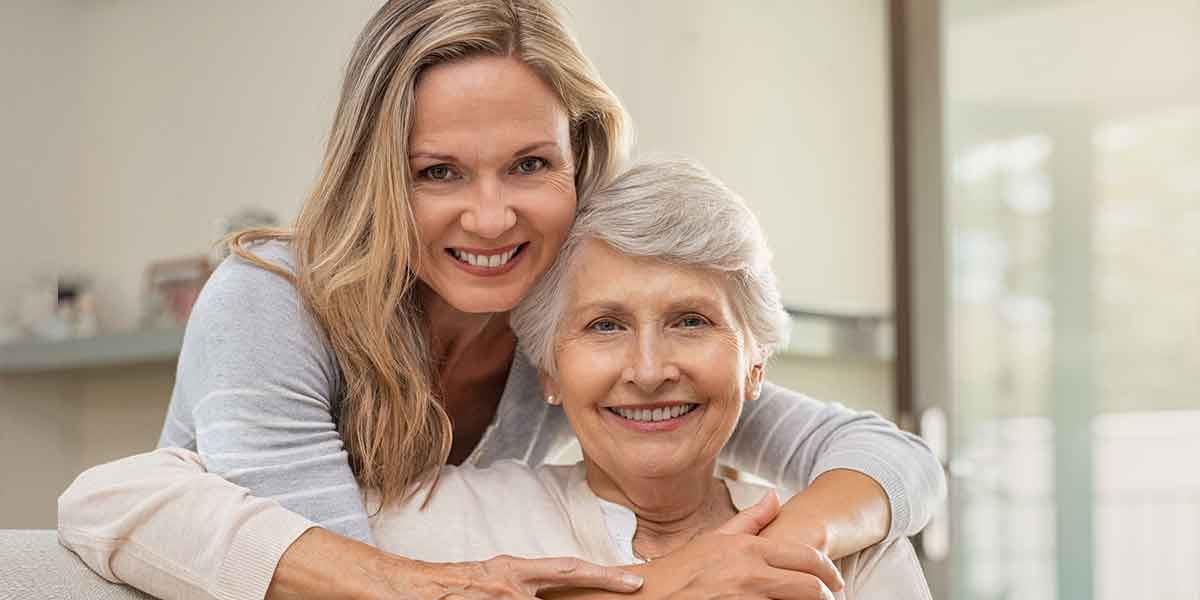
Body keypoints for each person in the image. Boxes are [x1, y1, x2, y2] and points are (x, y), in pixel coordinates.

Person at [69, 0, 945, 596]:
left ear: (579, 159)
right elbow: (362, 588)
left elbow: (886, 458)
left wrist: (775, 549)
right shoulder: (271, 303)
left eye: (529, 164)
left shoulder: (563, 323)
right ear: (377, 176)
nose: (491, 219)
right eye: (437, 172)